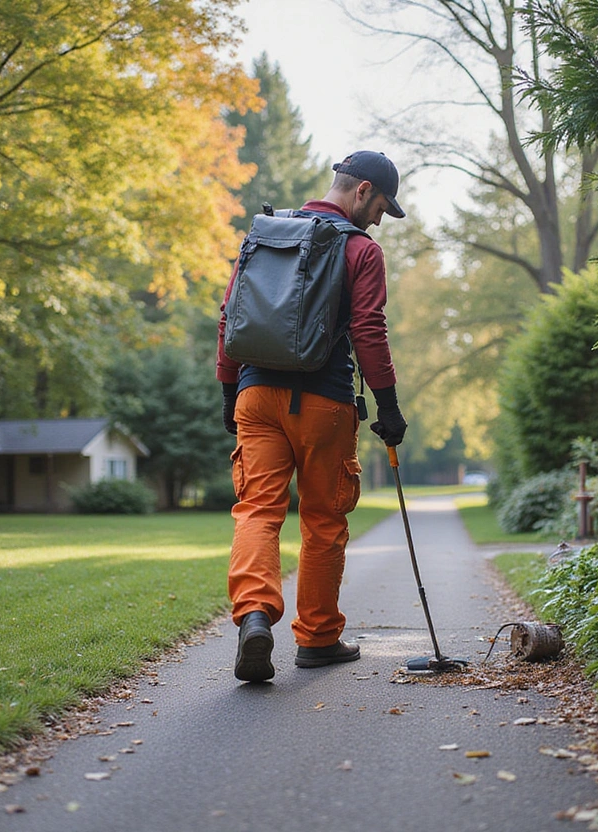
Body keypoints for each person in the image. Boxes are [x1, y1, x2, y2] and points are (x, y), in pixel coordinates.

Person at [216, 150, 409, 683]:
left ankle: (255, 615)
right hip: (324, 402)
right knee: (323, 520)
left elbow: (231, 315)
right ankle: (319, 638)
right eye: (381, 208)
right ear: (364, 190)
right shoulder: (361, 251)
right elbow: (369, 331)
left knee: (257, 509)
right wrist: (388, 406)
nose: (378, 221)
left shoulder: (265, 234)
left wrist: (229, 391)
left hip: (256, 394)